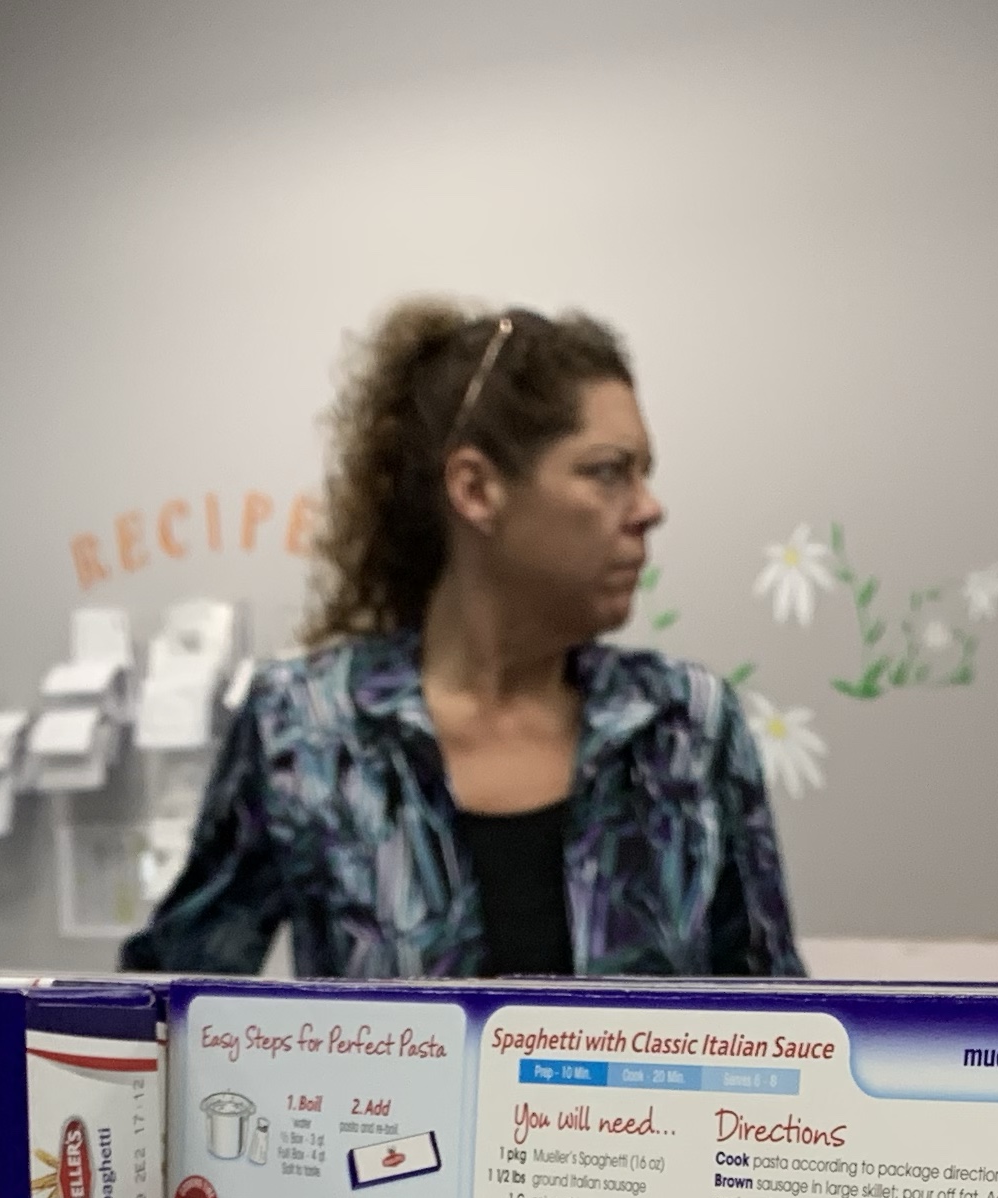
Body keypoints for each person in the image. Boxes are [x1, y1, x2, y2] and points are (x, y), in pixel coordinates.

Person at [124, 302, 799, 980]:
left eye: (644, 472)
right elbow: (165, 998)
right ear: (476, 489)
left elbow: (779, 1012)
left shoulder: (685, 727)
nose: (649, 508)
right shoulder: (306, 727)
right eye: (607, 471)